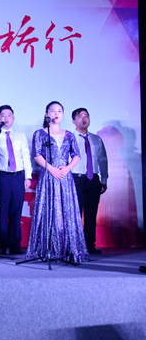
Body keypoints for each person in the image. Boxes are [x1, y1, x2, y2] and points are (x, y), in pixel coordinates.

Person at [26, 101, 89, 263]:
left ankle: (68, 249)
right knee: (48, 209)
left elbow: (76, 155)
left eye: (59, 111)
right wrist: (52, 169)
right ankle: (47, 248)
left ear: (63, 114)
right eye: (52, 111)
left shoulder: (69, 135)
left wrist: (67, 169)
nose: (56, 114)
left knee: (66, 210)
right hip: (48, 176)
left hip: (65, 177)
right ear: (46, 114)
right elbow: (36, 155)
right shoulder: (40, 134)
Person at [0, 105, 31, 255]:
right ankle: (2, 245)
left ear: (13, 118)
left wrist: (28, 176)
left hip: (18, 176)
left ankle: (15, 245)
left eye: (9, 115)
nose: (6, 118)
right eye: (3, 115)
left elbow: (25, 156)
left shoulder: (20, 135)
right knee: (2, 212)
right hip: (1, 176)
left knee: (16, 212)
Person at [71, 108, 108, 255]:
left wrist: (104, 179)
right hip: (76, 180)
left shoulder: (96, 139)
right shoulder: (69, 139)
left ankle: (89, 245)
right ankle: (75, 246)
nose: (84, 118)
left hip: (93, 180)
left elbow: (103, 160)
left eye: (86, 116)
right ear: (74, 121)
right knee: (75, 215)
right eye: (80, 116)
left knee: (91, 215)